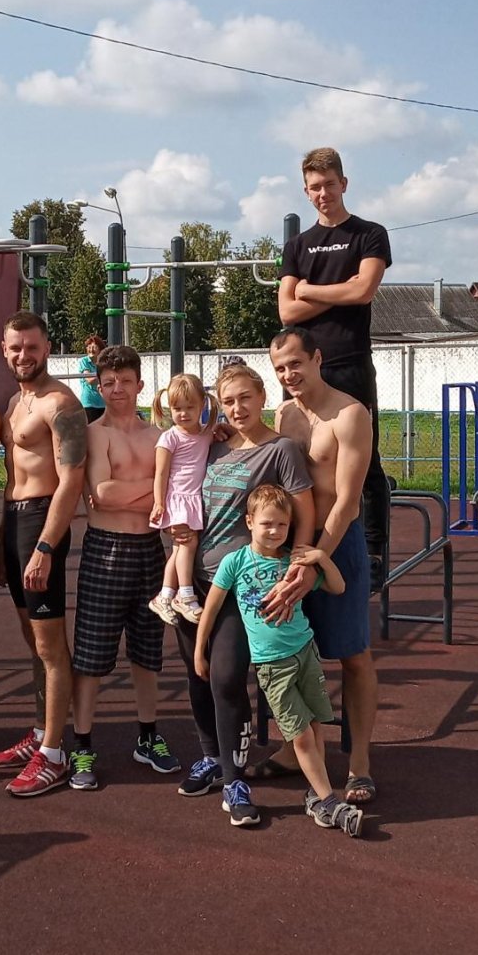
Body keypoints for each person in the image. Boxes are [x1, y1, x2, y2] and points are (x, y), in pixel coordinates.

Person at [172, 364, 315, 827]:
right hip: (193, 580)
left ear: (262, 397)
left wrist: (297, 569)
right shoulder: (213, 445)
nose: (237, 408)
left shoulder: (281, 450)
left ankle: (235, 780)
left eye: (245, 398)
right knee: (197, 675)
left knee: (226, 677)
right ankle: (213, 758)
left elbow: (304, 515)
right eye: (229, 400)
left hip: (241, 584)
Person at [195, 484, 363, 837]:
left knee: (315, 726)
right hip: (273, 665)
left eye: (282, 525)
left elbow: (338, 587)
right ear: (250, 522)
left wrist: (320, 557)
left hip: (305, 653)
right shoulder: (235, 562)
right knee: (300, 736)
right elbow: (210, 608)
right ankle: (328, 800)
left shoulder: (292, 561)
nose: (274, 531)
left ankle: (317, 796)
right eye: (267, 524)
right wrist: (200, 649)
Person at [258, 326, 379, 805]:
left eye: (295, 363)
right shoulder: (284, 413)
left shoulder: (350, 415)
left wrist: (315, 559)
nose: (288, 374)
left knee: (353, 655)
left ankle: (359, 763)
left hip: (336, 545)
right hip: (292, 546)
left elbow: (347, 502)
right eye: (280, 368)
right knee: (286, 653)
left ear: (317, 359)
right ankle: (296, 749)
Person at [278, 146, 392, 590]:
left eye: (329, 184)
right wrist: (337, 289)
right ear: (306, 192)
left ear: (343, 183)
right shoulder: (298, 245)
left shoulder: (370, 234)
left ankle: (374, 551)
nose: (323, 193)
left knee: (365, 461)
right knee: (299, 454)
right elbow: (287, 311)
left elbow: (364, 291)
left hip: (349, 361)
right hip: (304, 366)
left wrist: (310, 290)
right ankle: (300, 539)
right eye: (314, 187)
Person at [69, 345, 178, 791]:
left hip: (149, 549)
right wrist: (156, 490)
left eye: (125, 381)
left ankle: (148, 737)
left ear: (140, 384)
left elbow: (168, 490)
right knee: (92, 655)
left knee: (148, 653)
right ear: (98, 386)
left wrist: (145, 493)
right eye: (108, 382)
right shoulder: (94, 434)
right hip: (106, 549)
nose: (117, 389)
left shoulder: (158, 436)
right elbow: (102, 494)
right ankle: (81, 745)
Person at [0, 311, 87, 797]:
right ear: (4, 350)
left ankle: (53, 753)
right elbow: (11, 479)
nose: (23, 355)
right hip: (15, 521)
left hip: (42, 522)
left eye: (31, 347)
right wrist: (3, 542)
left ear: (47, 348)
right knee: (32, 641)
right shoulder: (14, 402)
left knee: (50, 646)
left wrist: (46, 546)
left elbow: (71, 481)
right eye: (15, 348)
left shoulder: (60, 403)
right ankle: (40, 731)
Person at [147, 374, 219, 626]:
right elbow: (161, 473)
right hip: (178, 499)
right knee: (188, 543)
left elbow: (218, 433)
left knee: (179, 549)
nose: (184, 414)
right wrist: (159, 503)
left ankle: (164, 596)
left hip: (193, 498)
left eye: (190, 407)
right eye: (177, 408)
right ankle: (185, 595)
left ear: (202, 405)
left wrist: (224, 429)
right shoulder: (170, 437)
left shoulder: (206, 434)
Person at [77, 334, 107, 423]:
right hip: (89, 403)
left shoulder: (103, 362)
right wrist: (104, 376)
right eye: (89, 347)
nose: (91, 349)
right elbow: (89, 380)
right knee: (91, 428)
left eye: (94, 347)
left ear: (100, 350)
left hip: (103, 402)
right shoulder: (84, 361)